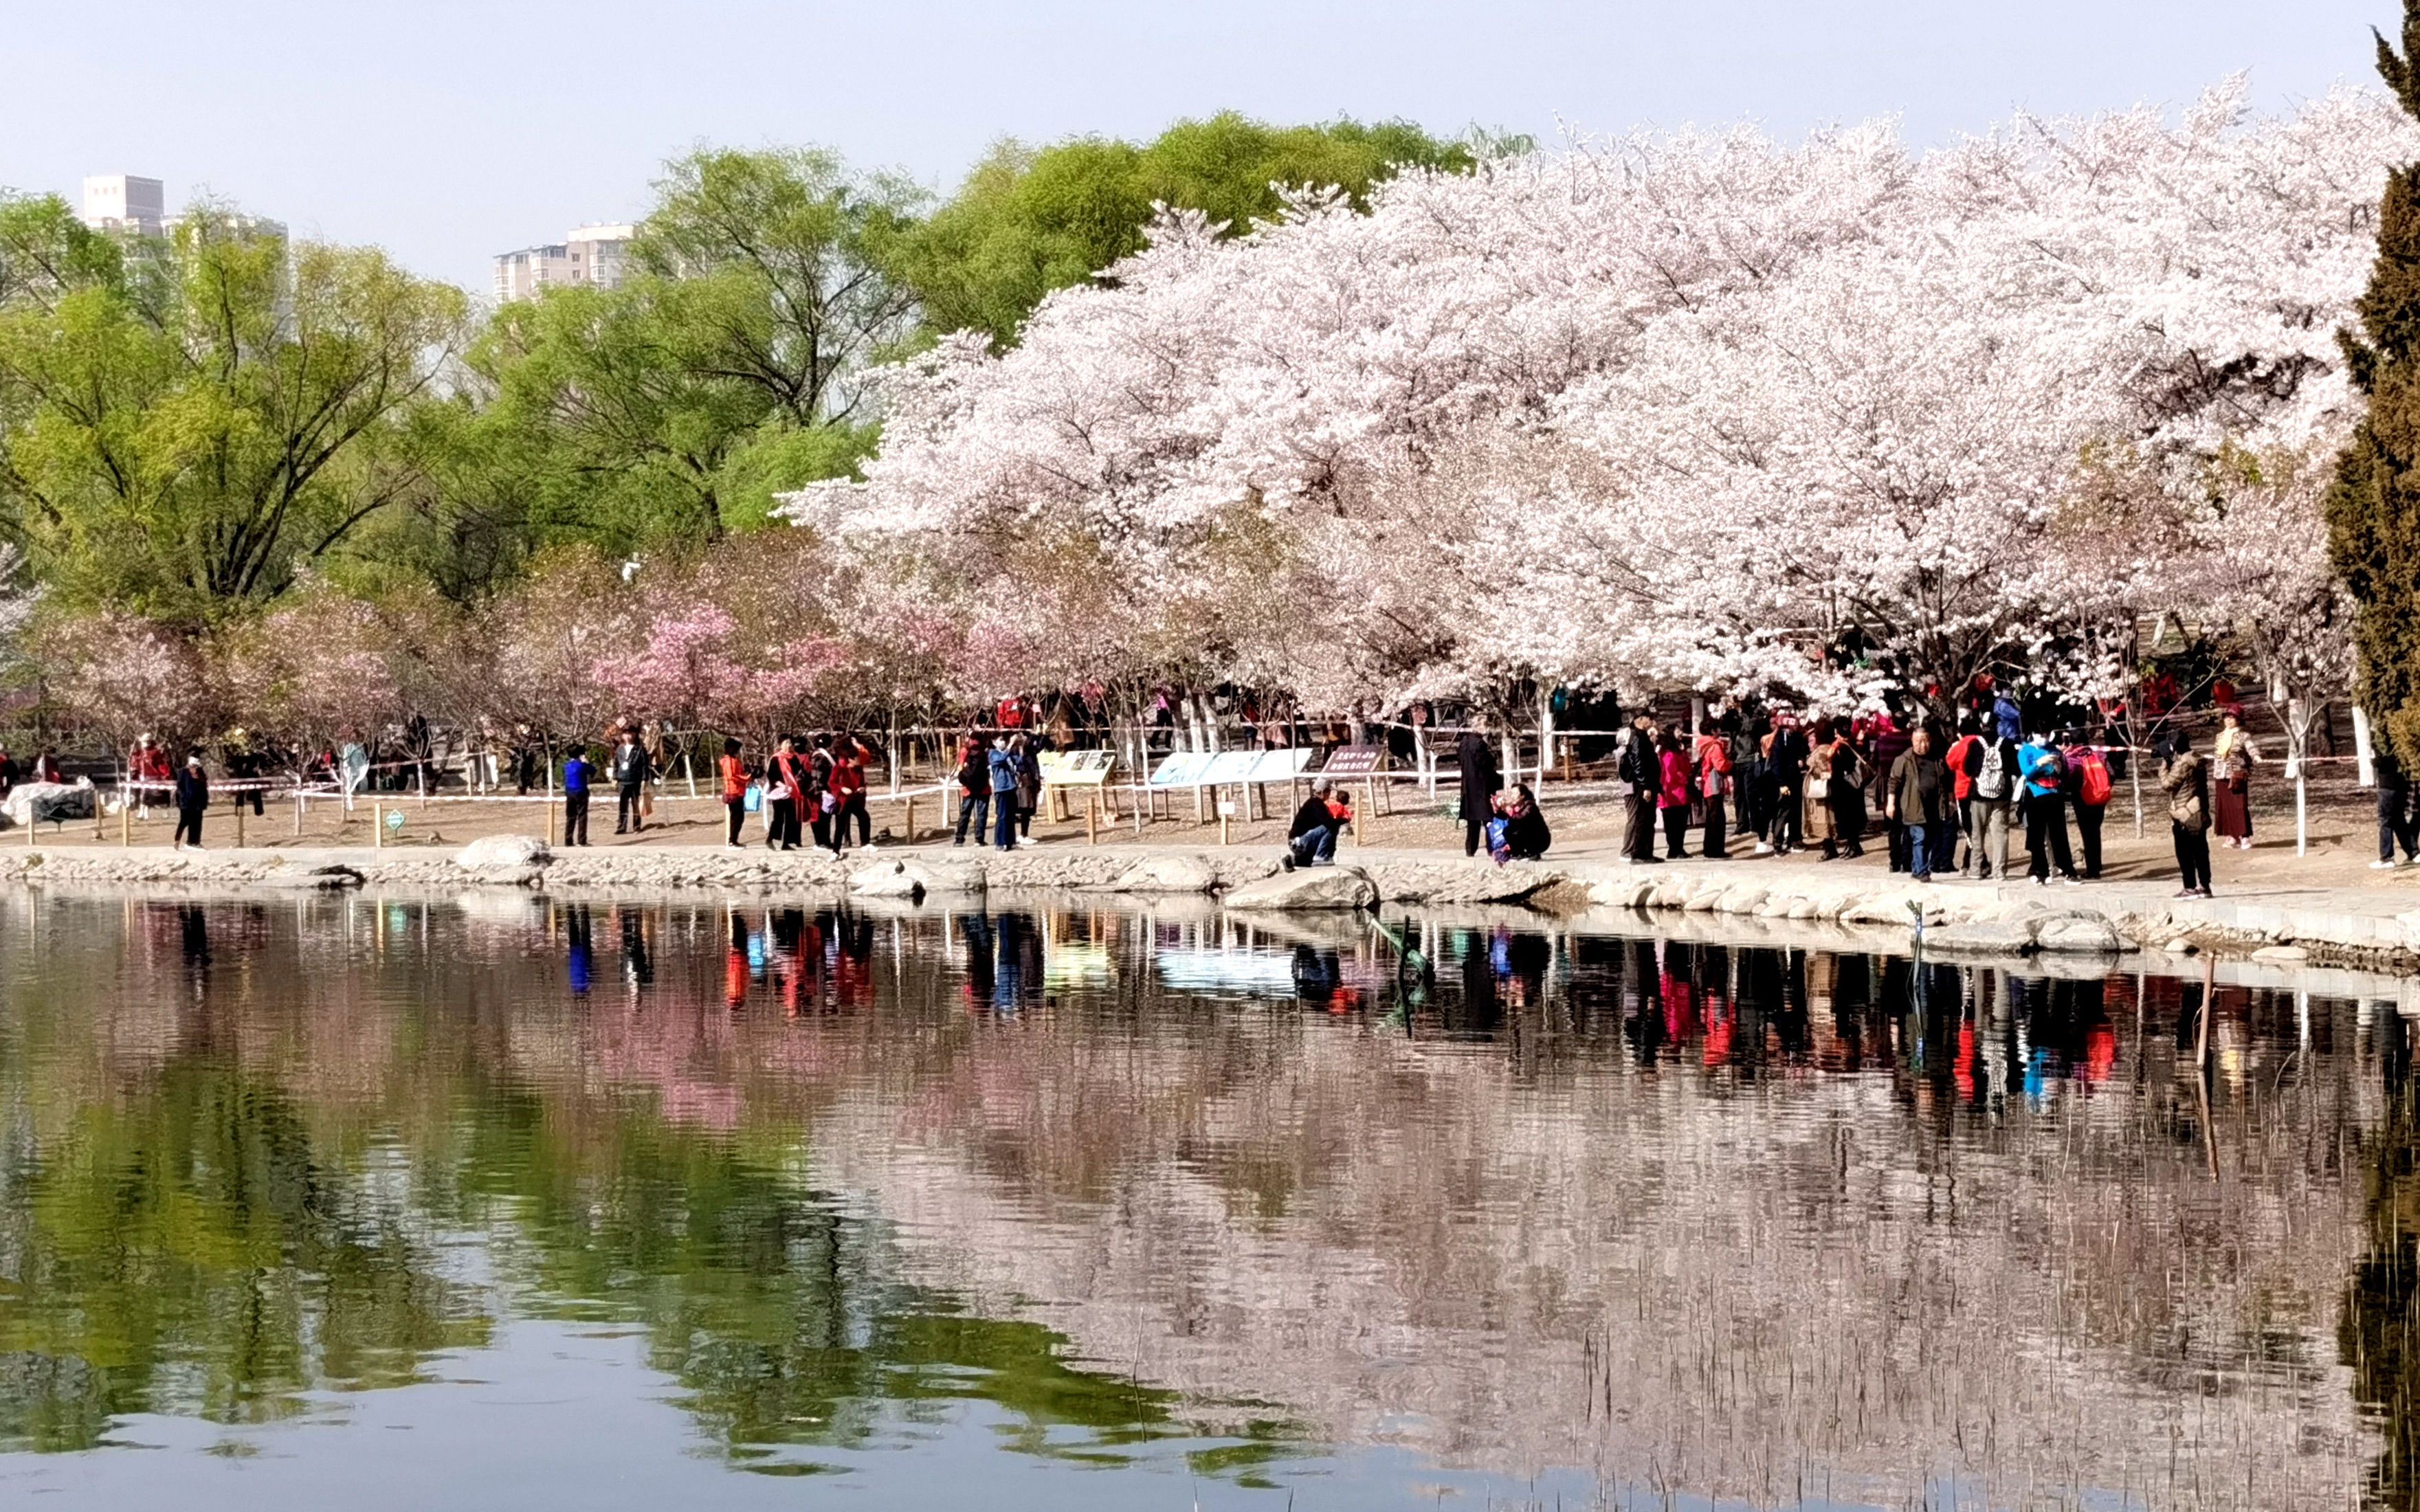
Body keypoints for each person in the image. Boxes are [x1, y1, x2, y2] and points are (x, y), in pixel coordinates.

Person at [1885, 728, 1951, 882]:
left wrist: (1950, 801)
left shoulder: (1937, 759)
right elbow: (1893, 782)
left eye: (1926, 740)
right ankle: (1922, 871)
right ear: (1912, 742)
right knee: (1919, 838)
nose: (1923, 745)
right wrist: (1891, 804)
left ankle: (1916, 868)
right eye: (1918, 741)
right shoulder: (1904, 760)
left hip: (1933, 807)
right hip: (1913, 806)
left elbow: (1945, 782)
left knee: (1929, 839)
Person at [2017, 731, 2080, 885]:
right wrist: (2039, 763)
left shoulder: (2054, 750)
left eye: (2046, 735)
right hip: (2035, 795)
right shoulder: (2025, 751)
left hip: (2054, 794)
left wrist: (2059, 768)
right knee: (2036, 836)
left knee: (2059, 835)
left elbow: (2064, 775)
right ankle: (2040, 871)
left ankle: (2068, 870)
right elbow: (2027, 773)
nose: (2043, 739)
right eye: (2040, 735)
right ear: (2033, 734)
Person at [1961, 720, 2020, 882]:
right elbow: (2015, 769)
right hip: (2002, 796)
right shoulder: (2007, 744)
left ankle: (1976, 869)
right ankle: (1999, 871)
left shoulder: (1975, 744)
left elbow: (1968, 769)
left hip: (1979, 796)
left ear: (1982, 726)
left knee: (1978, 833)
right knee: (2000, 834)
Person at [2162, 729, 2214, 897]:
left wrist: (2164, 766)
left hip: (2184, 813)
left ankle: (2189, 887)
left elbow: (2167, 784)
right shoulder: (2196, 759)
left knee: (2184, 852)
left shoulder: (2182, 764)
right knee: (2201, 850)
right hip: (2199, 809)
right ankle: (2205, 886)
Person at [2067, 734, 2114, 880]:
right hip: (2100, 798)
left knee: (2088, 835)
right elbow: (2112, 775)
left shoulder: (2073, 758)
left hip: (2082, 800)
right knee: (2095, 831)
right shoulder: (2099, 755)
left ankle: (2093, 870)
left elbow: (2070, 780)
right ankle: (2097, 863)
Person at [1619, 716, 1662, 863]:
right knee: (1642, 818)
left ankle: (1647, 852)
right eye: (1647, 718)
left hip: (1650, 782)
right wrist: (1645, 786)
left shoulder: (1643, 737)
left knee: (1650, 819)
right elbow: (1638, 763)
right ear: (1639, 720)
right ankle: (1638, 853)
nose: (1650, 720)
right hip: (1643, 784)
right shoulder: (1636, 737)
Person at [2212, 709, 2257, 849]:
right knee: (2225, 806)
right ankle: (2231, 836)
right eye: (2226, 718)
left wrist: (2256, 756)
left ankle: (2244, 837)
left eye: (2232, 718)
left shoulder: (2244, 735)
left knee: (2239, 805)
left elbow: (2251, 748)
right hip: (2221, 775)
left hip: (2236, 774)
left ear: (2238, 720)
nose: (2228, 720)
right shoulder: (2220, 736)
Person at [1942, 718, 1982, 876]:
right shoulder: (1984, 743)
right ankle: (1970, 861)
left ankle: (1976, 862)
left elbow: (1950, 764)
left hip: (1964, 790)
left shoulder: (1960, 746)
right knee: (1980, 827)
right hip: (1983, 791)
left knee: (1969, 829)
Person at [1456, 722, 1500, 857]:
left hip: (1468, 787)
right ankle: (1491, 848)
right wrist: (1493, 757)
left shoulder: (1464, 742)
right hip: (1482, 787)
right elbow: (1487, 765)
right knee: (1488, 820)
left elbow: (1459, 759)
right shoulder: (1481, 745)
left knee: (1472, 822)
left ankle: (1470, 849)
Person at [1285, 777, 1347, 869]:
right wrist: (1343, 820)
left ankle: (1293, 860)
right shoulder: (1315, 804)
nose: (1330, 794)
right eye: (1328, 791)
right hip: (1299, 842)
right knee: (1330, 827)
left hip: (1298, 841)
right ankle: (1321, 856)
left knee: (1309, 862)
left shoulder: (1315, 803)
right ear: (1322, 792)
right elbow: (1328, 823)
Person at [2376, 743, 2418, 869]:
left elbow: (2383, 760)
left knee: (2386, 822)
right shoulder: (2404, 743)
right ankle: (2414, 853)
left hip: (2388, 785)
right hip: (2402, 784)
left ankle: (2387, 857)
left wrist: (2375, 761)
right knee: (2399, 821)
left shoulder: (2385, 743)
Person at [1694, 726, 1733, 858]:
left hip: (1707, 784)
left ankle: (1709, 848)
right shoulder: (1715, 746)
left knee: (1711, 818)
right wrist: (1731, 763)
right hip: (1714, 784)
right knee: (1717, 818)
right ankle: (1716, 850)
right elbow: (1720, 765)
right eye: (1717, 729)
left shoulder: (1703, 745)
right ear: (1712, 731)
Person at [827, 735, 871, 854]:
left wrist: (862, 788)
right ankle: (836, 850)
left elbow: (862, 782)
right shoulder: (840, 768)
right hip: (843, 800)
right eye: (855, 758)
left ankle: (865, 843)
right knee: (840, 826)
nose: (857, 759)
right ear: (849, 758)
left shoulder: (858, 768)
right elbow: (831, 782)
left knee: (864, 817)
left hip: (855, 799)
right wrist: (842, 789)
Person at [1487, 783, 1552, 863]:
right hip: (1526, 836)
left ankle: (1532, 853)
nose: (1512, 796)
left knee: (1520, 830)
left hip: (1540, 839)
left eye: (1515, 794)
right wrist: (1498, 808)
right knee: (1507, 830)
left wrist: (1507, 809)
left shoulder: (1530, 806)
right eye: (1511, 794)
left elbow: (1520, 818)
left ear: (1523, 796)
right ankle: (1518, 854)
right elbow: (1506, 818)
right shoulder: (1515, 806)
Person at [1656, 726, 1694, 859]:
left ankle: (1679, 848)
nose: (1681, 733)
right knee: (1673, 823)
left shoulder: (1679, 750)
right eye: (1678, 731)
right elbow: (1672, 771)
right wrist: (1685, 779)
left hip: (1681, 790)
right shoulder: (1668, 753)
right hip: (1672, 790)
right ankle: (1674, 849)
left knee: (1682, 822)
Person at [764, 736, 806, 850]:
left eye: (790, 743)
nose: (788, 745)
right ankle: (771, 839)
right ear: (781, 745)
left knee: (791, 817)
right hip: (779, 792)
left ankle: (786, 843)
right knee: (778, 817)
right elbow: (771, 776)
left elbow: (798, 772)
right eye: (786, 743)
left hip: (791, 791)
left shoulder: (793, 758)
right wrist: (783, 786)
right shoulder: (776, 758)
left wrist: (798, 780)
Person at [611, 728, 652, 835]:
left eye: (630, 734)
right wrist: (615, 778)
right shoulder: (620, 749)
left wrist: (644, 779)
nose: (628, 736)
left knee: (636, 805)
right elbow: (616, 764)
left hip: (635, 780)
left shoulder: (640, 749)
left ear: (634, 735)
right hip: (623, 780)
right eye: (626, 734)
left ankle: (637, 826)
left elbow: (644, 766)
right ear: (623, 736)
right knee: (623, 806)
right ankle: (621, 827)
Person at [953, 734, 992, 846]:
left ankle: (959, 839)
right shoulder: (986, 751)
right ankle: (979, 840)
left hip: (968, 788)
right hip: (984, 787)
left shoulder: (965, 750)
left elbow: (960, 768)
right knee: (981, 814)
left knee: (965, 813)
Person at [987, 735, 1022, 852]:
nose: (1003, 742)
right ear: (994, 742)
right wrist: (1010, 745)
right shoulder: (993, 754)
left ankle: (1011, 842)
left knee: (1011, 816)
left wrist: (1020, 746)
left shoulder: (1008, 754)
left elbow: (1018, 760)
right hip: (1001, 789)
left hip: (1011, 787)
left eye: (1004, 739)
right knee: (1002, 816)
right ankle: (999, 843)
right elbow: (1000, 760)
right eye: (1000, 740)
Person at [717, 737, 749, 848]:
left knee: (738, 817)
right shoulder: (729, 761)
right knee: (736, 817)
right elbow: (732, 776)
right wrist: (746, 778)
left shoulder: (733, 760)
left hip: (737, 791)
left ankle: (734, 840)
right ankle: (732, 841)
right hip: (733, 792)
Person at [173, 753, 208, 851]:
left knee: (197, 822)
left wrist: (204, 800)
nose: (195, 767)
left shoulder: (200, 773)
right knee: (184, 821)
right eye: (194, 765)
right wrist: (183, 798)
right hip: (186, 802)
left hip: (198, 802)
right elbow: (180, 787)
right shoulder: (183, 772)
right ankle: (177, 840)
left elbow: (204, 786)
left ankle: (194, 842)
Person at [562, 744, 593, 846]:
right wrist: (586, 762)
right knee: (582, 816)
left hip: (570, 792)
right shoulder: (583, 766)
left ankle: (568, 840)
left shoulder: (566, 766)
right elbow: (593, 771)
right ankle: (582, 840)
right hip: (581, 792)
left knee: (570, 817)